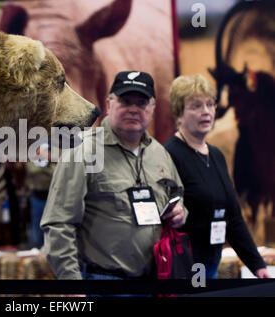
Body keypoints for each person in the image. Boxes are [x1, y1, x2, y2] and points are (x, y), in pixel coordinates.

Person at [41, 71, 187, 280]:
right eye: (126, 101)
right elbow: (58, 223)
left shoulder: (159, 153)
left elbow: (177, 196)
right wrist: (70, 279)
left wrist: (180, 213)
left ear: (152, 108)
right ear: (109, 104)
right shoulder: (83, 151)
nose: (134, 109)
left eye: (141, 103)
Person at [164, 74, 270, 279]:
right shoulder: (169, 154)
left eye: (210, 104)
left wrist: (258, 266)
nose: (206, 112)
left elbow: (233, 218)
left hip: (211, 262)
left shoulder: (216, 155)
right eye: (196, 106)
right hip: (185, 266)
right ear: (178, 114)